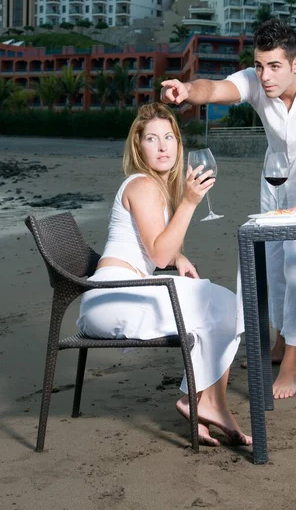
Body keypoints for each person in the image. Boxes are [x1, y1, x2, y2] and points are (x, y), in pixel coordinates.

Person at [161, 18, 296, 400]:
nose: (264, 76)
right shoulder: (256, 78)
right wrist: (187, 89)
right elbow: (214, 88)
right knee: (271, 267)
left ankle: (292, 366)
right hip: (274, 179)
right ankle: (279, 343)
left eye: (274, 66)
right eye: (260, 65)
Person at [77, 102, 251, 447]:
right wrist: (188, 202)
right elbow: (157, 253)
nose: (162, 146)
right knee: (223, 306)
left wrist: (179, 256)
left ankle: (209, 403)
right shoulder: (142, 185)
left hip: (127, 289)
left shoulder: (152, 186)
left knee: (223, 305)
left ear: (178, 143)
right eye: (152, 139)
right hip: (113, 297)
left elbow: (154, 245)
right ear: (138, 147)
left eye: (169, 137)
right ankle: (201, 401)